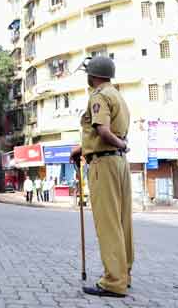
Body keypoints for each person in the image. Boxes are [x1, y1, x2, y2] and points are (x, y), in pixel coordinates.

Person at [70, 56, 132, 298]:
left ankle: (113, 281)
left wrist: (120, 144)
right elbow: (108, 132)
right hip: (119, 163)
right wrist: (81, 149)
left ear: (93, 74)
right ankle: (124, 274)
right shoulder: (118, 96)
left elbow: (103, 131)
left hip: (104, 163)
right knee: (122, 221)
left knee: (107, 223)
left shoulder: (98, 96)